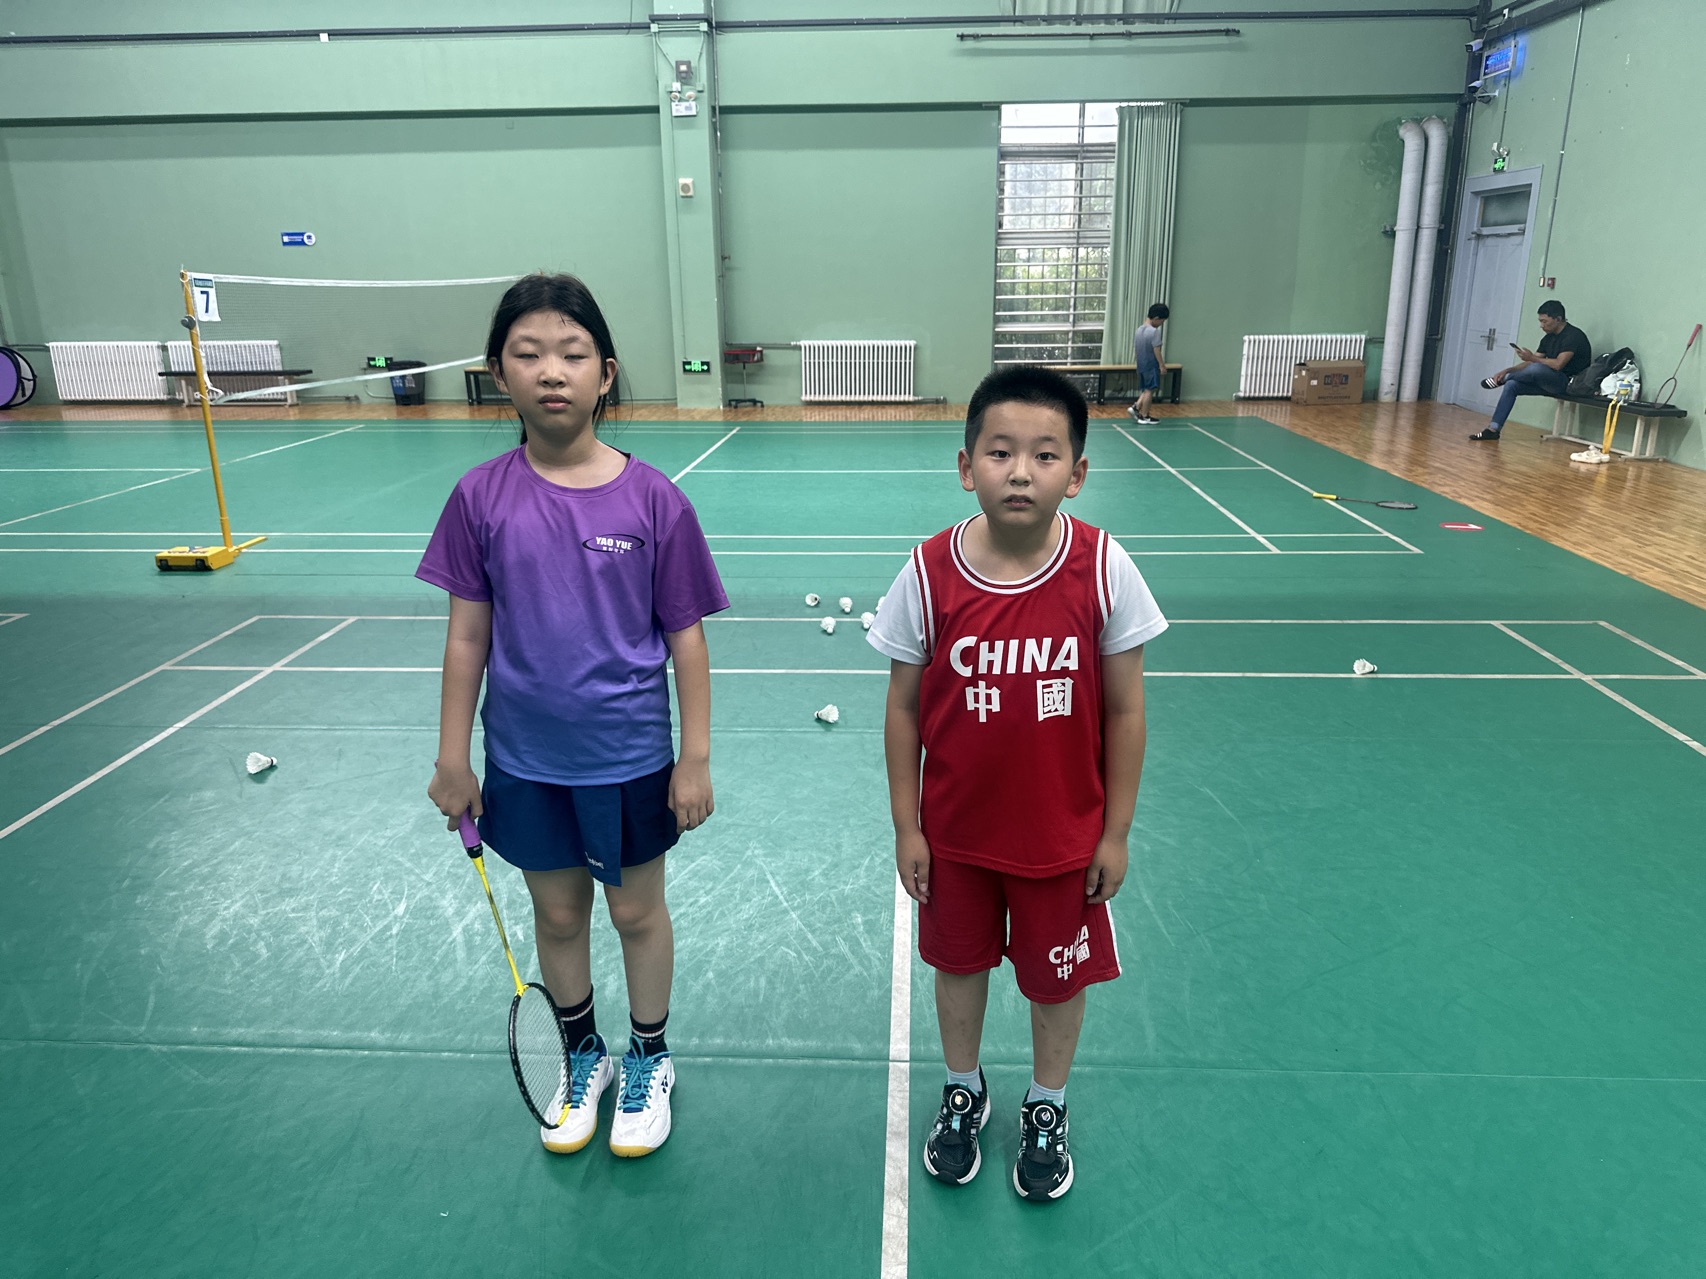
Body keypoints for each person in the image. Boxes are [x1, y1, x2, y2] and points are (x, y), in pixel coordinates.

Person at [420, 273, 728, 1158]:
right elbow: (466, 639)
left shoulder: (655, 499)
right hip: (525, 760)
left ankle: (651, 1057)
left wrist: (695, 755)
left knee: (636, 914)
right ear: (498, 374)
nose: (551, 370)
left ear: (606, 374)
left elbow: (687, 639)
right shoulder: (479, 498)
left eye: (572, 353)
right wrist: (453, 757)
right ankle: (583, 1051)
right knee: (557, 917)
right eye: (528, 354)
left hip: (629, 756)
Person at [868, 366, 1167, 1202]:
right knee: (958, 968)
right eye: (1000, 452)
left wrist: (1115, 831)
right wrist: (907, 825)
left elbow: (1126, 711)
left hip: (1062, 840)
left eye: (1045, 454)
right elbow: (901, 708)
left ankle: (1046, 1101)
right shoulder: (928, 571)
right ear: (967, 466)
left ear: (1077, 473)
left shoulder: (1104, 568)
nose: (1021, 471)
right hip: (956, 838)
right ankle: (963, 1086)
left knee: (1056, 981)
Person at [1470, 299, 1591, 440]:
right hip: (1548, 382)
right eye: (1540, 321)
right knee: (1512, 385)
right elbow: (1531, 362)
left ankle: (1504, 379)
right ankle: (1493, 429)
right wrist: (1508, 370)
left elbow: (1558, 364)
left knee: (1536, 367)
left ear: (1558, 319)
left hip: (1569, 384)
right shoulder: (1548, 338)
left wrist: (1531, 358)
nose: (1541, 326)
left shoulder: (1573, 336)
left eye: (1545, 321)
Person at [1126, 303, 1169, 425]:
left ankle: (1136, 406)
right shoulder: (1154, 332)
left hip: (1141, 364)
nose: (1161, 324)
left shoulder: (1139, 330)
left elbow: (1136, 349)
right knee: (1150, 389)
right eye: (1162, 321)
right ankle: (1144, 416)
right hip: (1151, 364)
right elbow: (1156, 350)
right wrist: (1161, 365)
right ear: (1156, 318)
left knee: (1146, 388)